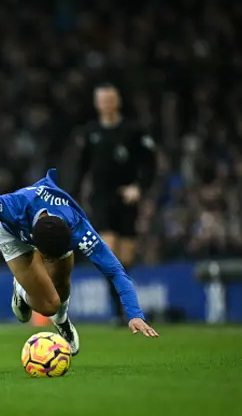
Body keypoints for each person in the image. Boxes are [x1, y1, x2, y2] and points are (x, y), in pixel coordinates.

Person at [0, 168, 159, 356]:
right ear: (33, 239)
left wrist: (134, 313)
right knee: (49, 305)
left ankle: (62, 323)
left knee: (62, 279)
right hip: (10, 233)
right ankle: (21, 291)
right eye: (47, 257)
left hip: (49, 232)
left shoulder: (77, 229)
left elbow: (115, 271)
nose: (48, 262)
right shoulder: (10, 206)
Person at [72, 83, 157, 326]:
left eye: (111, 99)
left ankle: (121, 305)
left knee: (127, 253)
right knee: (108, 249)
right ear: (97, 103)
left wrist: (139, 187)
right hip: (101, 198)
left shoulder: (133, 130)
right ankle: (118, 311)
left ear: (117, 101)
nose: (107, 104)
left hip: (126, 197)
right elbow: (80, 167)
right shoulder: (90, 132)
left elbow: (149, 163)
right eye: (103, 100)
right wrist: (73, 195)